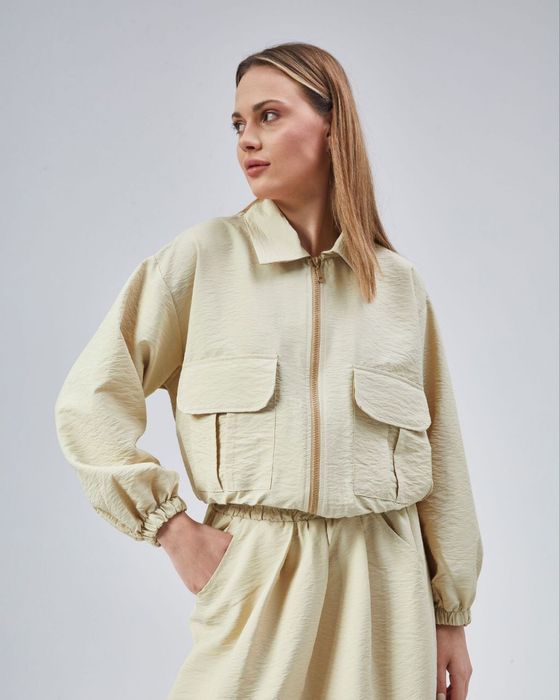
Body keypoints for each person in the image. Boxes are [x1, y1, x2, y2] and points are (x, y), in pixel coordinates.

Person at [54, 42, 484, 700]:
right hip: (258, 574)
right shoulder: (202, 260)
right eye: (238, 123)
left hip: (386, 590)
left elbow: (442, 456)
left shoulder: (398, 286)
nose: (246, 140)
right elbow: (91, 401)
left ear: (331, 125)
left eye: (269, 115)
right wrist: (171, 528)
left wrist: (451, 614)